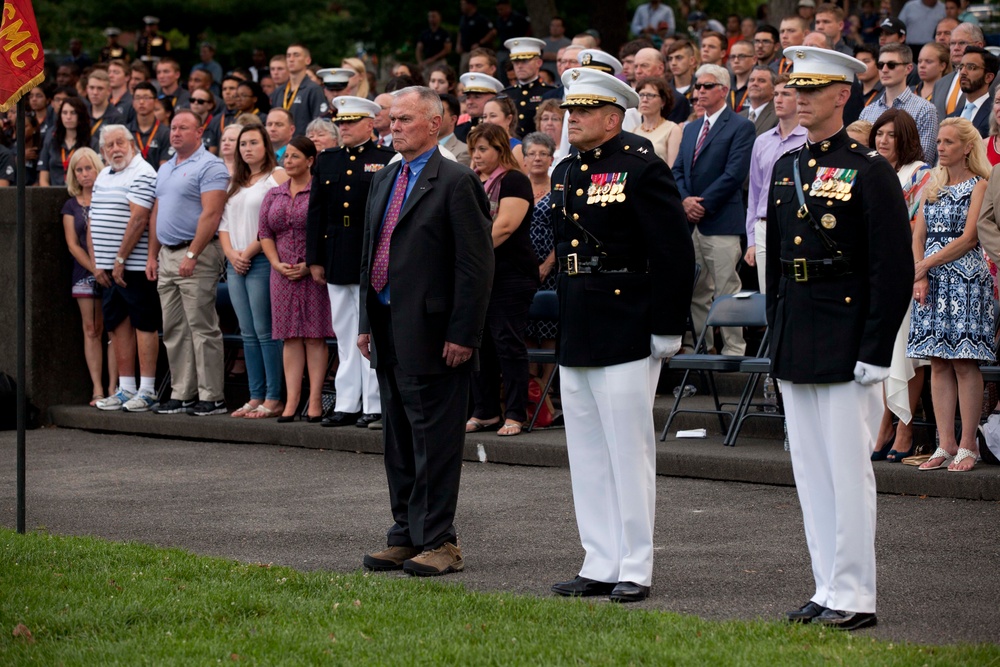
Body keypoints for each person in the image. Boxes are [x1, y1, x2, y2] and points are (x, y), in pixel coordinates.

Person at [766, 46, 913, 631]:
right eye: (795, 88)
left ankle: (855, 594)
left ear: (842, 95)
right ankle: (825, 584)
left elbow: (892, 269)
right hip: (798, 328)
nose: (799, 97)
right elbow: (777, 261)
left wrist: (876, 350)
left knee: (849, 472)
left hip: (848, 336)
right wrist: (777, 337)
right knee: (810, 470)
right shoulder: (787, 165)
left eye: (813, 88)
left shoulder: (869, 169)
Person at [548, 67, 694, 603]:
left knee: (628, 453)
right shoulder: (565, 170)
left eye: (584, 110)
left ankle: (635, 564)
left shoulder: (640, 166)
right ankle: (599, 559)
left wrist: (665, 326)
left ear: (613, 117)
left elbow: (674, 252)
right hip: (579, 318)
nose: (573, 118)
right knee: (586, 451)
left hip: (626, 318)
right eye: (570, 110)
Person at [358, 87, 493, 577]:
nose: (392, 126)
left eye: (405, 119)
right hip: (388, 326)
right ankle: (405, 534)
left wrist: (464, 333)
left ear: (434, 124)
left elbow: (475, 267)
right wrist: (364, 321)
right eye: (390, 119)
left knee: (433, 438)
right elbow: (371, 251)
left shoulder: (456, 181)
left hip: (437, 333)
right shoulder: (386, 177)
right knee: (397, 436)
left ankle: (440, 540)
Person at [908, 118, 993, 472]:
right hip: (931, 279)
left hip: (967, 281)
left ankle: (968, 444)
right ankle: (945, 444)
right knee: (937, 362)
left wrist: (924, 265)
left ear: (967, 147)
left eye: (948, 142)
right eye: (938, 141)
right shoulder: (933, 183)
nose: (940, 147)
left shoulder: (981, 184)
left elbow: (970, 238)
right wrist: (920, 273)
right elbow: (918, 233)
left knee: (963, 361)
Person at [304, 97, 394, 429]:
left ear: (370, 123)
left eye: (351, 122)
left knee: (370, 332)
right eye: (340, 123)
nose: (343, 128)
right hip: (338, 251)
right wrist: (314, 258)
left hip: (368, 251)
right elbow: (316, 212)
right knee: (344, 332)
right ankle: (346, 402)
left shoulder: (384, 159)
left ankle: (373, 403)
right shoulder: (327, 160)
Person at [147, 109, 231, 416]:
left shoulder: (211, 166)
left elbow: (211, 213)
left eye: (184, 127)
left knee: (202, 326)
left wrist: (193, 254)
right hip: (167, 254)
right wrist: (152, 254)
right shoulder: (166, 167)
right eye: (173, 128)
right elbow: (157, 212)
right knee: (173, 328)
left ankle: (212, 395)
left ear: (200, 132)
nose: (176, 132)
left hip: (196, 253)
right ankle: (183, 392)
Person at [672, 63, 755, 355]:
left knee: (726, 289)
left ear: (724, 89)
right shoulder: (692, 126)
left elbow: (734, 173)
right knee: (697, 291)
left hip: (721, 220)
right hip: (691, 221)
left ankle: (734, 349)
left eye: (707, 86)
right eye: (697, 86)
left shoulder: (741, 126)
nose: (700, 91)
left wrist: (701, 205)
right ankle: (701, 347)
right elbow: (678, 169)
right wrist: (684, 201)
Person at [867, 110, 934, 462]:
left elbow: (917, 229)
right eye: (879, 134)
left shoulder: (919, 174)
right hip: (871, 273)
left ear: (906, 139)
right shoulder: (871, 170)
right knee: (881, 350)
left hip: (906, 270)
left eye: (891, 135)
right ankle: (884, 423)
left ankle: (903, 427)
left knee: (905, 355)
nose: (882, 140)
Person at [464, 122, 537, 437]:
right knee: (479, 344)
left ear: (500, 149)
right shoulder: (472, 182)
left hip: (510, 274)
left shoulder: (515, 181)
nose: (476, 156)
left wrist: (467, 256)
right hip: (478, 276)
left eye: (483, 149)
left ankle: (516, 413)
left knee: (507, 343)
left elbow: (504, 227)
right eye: (473, 150)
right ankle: (486, 412)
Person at [88, 126, 161, 413]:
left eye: (120, 143)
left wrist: (119, 260)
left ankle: (147, 390)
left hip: (134, 265)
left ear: (132, 144)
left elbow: (139, 219)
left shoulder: (143, 172)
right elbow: (92, 221)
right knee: (116, 325)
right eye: (109, 145)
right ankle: (126, 388)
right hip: (107, 269)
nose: (115, 149)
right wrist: (98, 265)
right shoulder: (104, 174)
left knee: (144, 324)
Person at [258, 137, 331, 422]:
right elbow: (264, 232)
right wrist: (276, 263)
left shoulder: (320, 192)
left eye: (295, 157)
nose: (288, 161)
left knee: (314, 337)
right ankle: (291, 401)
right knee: (290, 337)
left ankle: (314, 402)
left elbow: (327, 229)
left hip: (312, 272)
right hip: (281, 274)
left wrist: (310, 263)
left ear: (310, 160)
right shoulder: (273, 194)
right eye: (285, 157)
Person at [220, 125, 289, 420]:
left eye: (253, 142)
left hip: (260, 261)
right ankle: (255, 395)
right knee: (247, 333)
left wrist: (247, 253)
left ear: (266, 145)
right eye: (243, 144)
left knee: (266, 332)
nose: (247, 148)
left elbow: (275, 223)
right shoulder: (236, 182)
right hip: (235, 264)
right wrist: (232, 255)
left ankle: (274, 397)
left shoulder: (277, 176)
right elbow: (222, 224)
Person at [744, 75, 807, 292]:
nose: (778, 100)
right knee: (767, 295)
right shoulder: (762, 141)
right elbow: (754, 193)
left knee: (795, 293)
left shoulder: (810, 139)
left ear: (800, 100)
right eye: (776, 94)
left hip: (796, 225)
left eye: (786, 94)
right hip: (764, 225)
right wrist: (751, 239)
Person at [63, 147, 115, 405]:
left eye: (89, 168)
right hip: (84, 271)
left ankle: (116, 386)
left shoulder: (110, 196)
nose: (85, 174)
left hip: (113, 269)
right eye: (79, 170)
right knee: (91, 328)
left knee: (114, 327)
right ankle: (97, 388)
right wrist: (94, 268)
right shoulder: (71, 205)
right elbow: (73, 244)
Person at [860, 43, 940, 163]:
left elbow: (924, 160)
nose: (884, 70)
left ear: (908, 68)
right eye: (880, 65)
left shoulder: (925, 109)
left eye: (891, 65)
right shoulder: (867, 111)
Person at [521, 131, 558, 388]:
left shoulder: (559, 191)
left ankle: (545, 389)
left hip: (550, 270)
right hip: (521, 269)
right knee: (525, 330)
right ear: (523, 159)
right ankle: (530, 390)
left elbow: (564, 233)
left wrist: (548, 264)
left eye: (543, 154)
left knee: (548, 330)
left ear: (551, 158)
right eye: (531, 153)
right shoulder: (516, 188)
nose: (537, 158)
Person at [270, 44, 324, 139]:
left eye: (296, 55)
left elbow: (319, 123)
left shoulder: (314, 89)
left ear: (307, 60)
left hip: (303, 146)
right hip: (281, 146)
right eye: (288, 55)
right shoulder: (279, 91)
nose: (291, 59)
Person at [932, 22, 985, 119]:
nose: (956, 48)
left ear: (979, 46)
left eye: (962, 43)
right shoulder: (940, 84)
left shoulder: (993, 79)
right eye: (952, 43)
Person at [502, 38, 552, 137]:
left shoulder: (550, 93)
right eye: (516, 62)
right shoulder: (505, 94)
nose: (519, 66)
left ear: (539, 63)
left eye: (525, 61)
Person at [946, 45, 997, 138]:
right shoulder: (951, 117)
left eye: (971, 67)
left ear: (988, 77)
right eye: (961, 67)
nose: (963, 72)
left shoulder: (995, 114)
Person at [38, 97, 91, 187]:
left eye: (73, 113)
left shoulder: (91, 142)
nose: (68, 117)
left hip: (81, 194)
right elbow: (43, 177)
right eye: (64, 113)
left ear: (81, 115)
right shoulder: (51, 141)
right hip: (52, 195)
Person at [632, 76, 681, 165]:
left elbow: (673, 168)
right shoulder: (634, 131)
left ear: (663, 101)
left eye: (650, 95)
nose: (644, 100)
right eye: (641, 95)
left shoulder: (673, 129)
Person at [127, 81, 173, 170]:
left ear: (155, 102)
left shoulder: (165, 133)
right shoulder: (126, 132)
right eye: (137, 98)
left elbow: (165, 166)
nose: (141, 102)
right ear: (133, 102)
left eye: (146, 98)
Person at [455, 72, 504, 142]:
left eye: (477, 97)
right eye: (468, 97)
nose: (470, 102)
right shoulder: (459, 131)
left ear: (493, 98)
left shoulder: (499, 129)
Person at [481, 95, 524, 164]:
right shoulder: (480, 147)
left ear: (508, 119)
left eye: (493, 116)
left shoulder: (517, 149)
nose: (487, 121)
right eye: (484, 117)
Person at [741, 66, 779, 136]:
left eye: (761, 81)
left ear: (773, 89)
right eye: (752, 80)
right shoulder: (738, 117)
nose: (754, 84)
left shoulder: (778, 116)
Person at [416, 10, 452, 75]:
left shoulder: (444, 33)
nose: (431, 19)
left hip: (439, 62)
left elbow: (447, 49)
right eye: (430, 17)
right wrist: (420, 62)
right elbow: (419, 49)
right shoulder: (425, 33)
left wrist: (433, 59)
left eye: (433, 16)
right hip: (426, 63)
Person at [438, 93, 470, 167]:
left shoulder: (464, 151)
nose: (434, 116)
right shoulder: (421, 147)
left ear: (453, 119)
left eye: (440, 112)